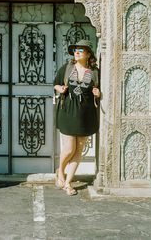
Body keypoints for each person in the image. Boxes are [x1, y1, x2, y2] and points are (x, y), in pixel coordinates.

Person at [54, 39, 100, 196]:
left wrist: (98, 94)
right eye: (75, 50)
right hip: (67, 112)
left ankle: (68, 183)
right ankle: (60, 170)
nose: (77, 52)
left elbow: (99, 90)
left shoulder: (94, 72)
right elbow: (55, 84)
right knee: (69, 149)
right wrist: (60, 88)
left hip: (86, 115)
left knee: (79, 150)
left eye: (81, 50)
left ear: (88, 54)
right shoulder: (67, 68)